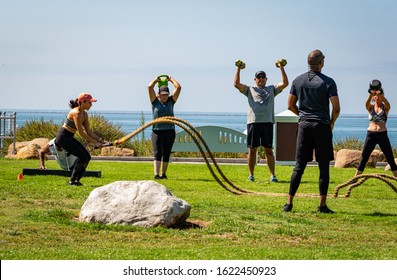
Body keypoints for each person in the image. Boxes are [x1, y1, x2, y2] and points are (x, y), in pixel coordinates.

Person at [284, 49, 340, 213]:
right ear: (321, 62)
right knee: (323, 166)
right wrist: (331, 123)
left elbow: (290, 105)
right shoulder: (329, 82)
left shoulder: (297, 80)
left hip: (304, 125)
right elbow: (336, 108)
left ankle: (289, 203)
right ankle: (322, 205)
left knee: (299, 166)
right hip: (321, 126)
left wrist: (302, 115)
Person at [234, 60, 288, 183]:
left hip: (267, 123)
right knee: (252, 150)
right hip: (253, 123)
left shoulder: (271, 89)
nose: (261, 79)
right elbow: (236, 84)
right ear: (255, 79)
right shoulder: (249, 89)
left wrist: (281, 67)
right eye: (259, 77)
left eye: (263, 77)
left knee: (268, 150)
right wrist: (239, 68)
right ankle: (251, 175)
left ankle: (272, 175)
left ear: (266, 79)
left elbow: (285, 83)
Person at [55, 92, 106, 186]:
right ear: (83, 102)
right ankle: (72, 181)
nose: (91, 104)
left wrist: (100, 140)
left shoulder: (85, 114)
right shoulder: (76, 113)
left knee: (87, 157)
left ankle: (76, 181)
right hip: (63, 137)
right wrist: (95, 143)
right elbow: (81, 133)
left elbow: (89, 132)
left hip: (69, 137)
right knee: (82, 157)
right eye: (90, 102)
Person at [355, 80, 397, 177]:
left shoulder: (385, 108)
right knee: (364, 158)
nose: (377, 98)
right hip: (371, 134)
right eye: (375, 97)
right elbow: (366, 103)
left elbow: (388, 104)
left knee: (390, 158)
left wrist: (381, 94)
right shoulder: (370, 107)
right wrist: (371, 94)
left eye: (379, 97)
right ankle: (354, 179)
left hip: (382, 134)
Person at [148, 76, 181, 179]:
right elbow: (149, 87)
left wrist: (171, 79)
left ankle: (163, 174)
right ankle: (156, 174)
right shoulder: (155, 102)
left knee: (166, 153)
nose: (165, 97)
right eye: (162, 95)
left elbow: (178, 87)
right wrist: (156, 80)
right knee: (157, 153)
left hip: (169, 131)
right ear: (159, 95)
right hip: (157, 131)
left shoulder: (171, 101)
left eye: (166, 94)